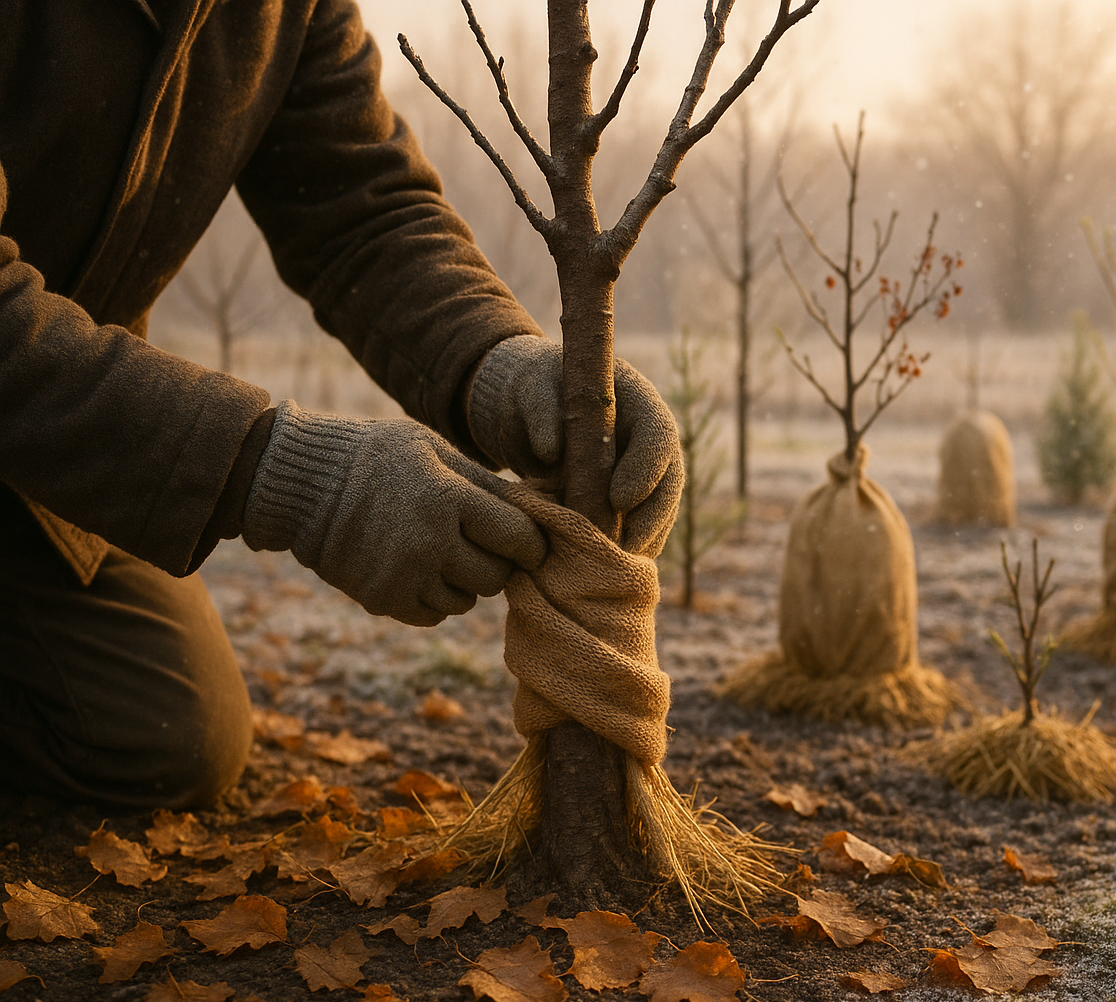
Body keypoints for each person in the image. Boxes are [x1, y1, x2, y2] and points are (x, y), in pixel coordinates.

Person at [0, 0, 683, 810]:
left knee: (163, 730)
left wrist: (501, 367)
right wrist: (285, 472)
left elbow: (360, 210)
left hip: (48, 452)